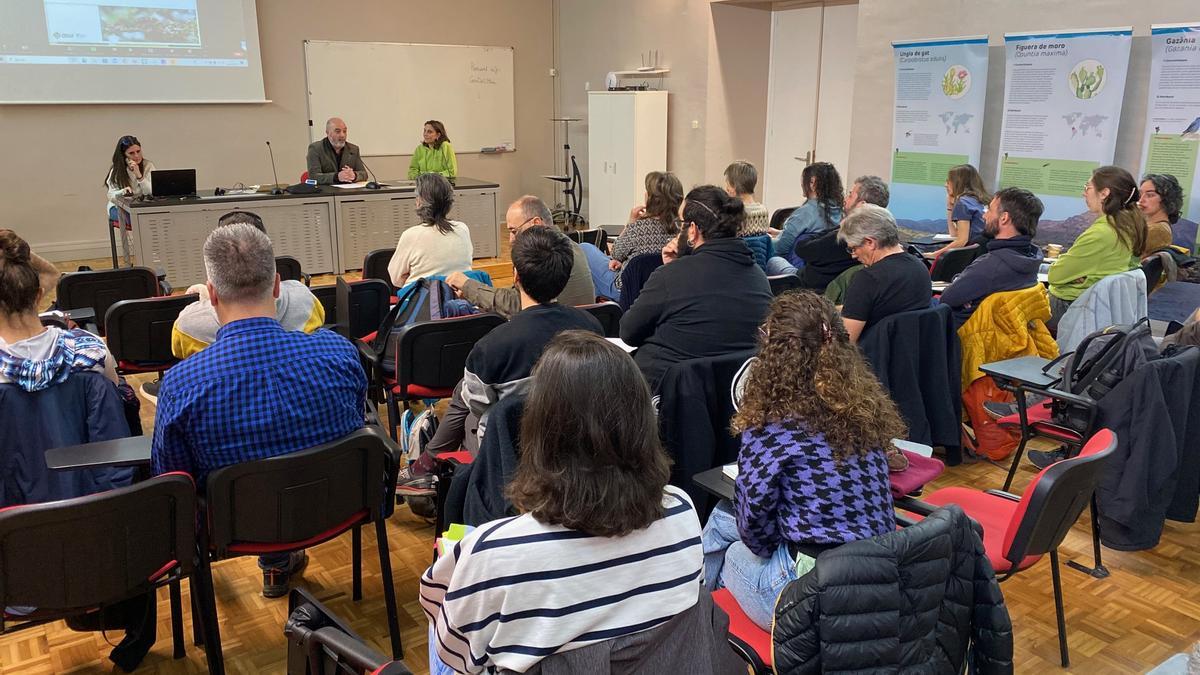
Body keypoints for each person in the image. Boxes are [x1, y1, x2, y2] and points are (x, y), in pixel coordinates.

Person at [420, 331, 703, 674]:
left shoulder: (496, 551)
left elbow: (454, 650)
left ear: (538, 431)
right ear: (643, 421)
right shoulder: (685, 513)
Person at [151, 223, 366, 598]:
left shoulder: (183, 385)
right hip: (339, 507)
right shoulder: (339, 352)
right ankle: (282, 559)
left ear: (213, 295)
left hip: (237, 529)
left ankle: (274, 563)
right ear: (278, 285)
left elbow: (173, 483)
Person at [701, 291, 901, 630]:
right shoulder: (866, 410)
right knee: (722, 519)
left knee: (728, 545)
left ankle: (700, 626)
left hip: (809, 599)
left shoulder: (770, 428)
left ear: (770, 353)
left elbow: (757, 537)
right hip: (879, 580)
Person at [398, 227, 602, 495]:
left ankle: (428, 465)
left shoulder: (492, 346)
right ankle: (428, 464)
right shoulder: (592, 328)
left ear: (515, 275)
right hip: (576, 445)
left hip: (506, 453)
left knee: (467, 397)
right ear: (565, 277)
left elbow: (479, 407)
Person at [620, 185, 772, 391]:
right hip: (731, 401)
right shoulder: (759, 279)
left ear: (693, 229)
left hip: (664, 397)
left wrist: (673, 269)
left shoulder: (671, 277)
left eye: (682, 223)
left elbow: (628, 332)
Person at [171, 211, 326, 363]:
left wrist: (203, 301)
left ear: (213, 293)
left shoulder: (187, 325)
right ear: (276, 284)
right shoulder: (306, 300)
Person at [445, 196, 595, 319]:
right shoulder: (572, 247)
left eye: (514, 231)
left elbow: (516, 304)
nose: (510, 239)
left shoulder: (542, 256)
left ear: (536, 223)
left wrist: (468, 286)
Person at [1047, 166, 1146, 327]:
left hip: (1070, 307)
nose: (1084, 193)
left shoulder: (1101, 233)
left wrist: (1073, 274)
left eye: (1088, 187)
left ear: (1104, 193)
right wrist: (1076, 275)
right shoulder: (1131, 227)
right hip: (1097, 308)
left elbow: (1055, 276)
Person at [938, 188, 1045, 328]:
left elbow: (947, 298)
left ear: (1004, 218)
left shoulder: (991, 266)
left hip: (964, 338)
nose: (984, 216)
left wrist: (960, 282)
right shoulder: (1032, 258)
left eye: (989, 210)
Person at [580, 171, 683, 300]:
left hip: (625, 290)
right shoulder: (682, 231)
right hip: (661, 289)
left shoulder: (637, 228)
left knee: (584, 248)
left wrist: (630, 222)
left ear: (651, 198)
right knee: (599, 278)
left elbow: (615, 253)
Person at [837, 204, 933, 343]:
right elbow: (879, 307)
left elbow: (846, 343)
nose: (853, 255)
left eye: (853, 248)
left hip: (870, 359)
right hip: (909, 356)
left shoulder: (867, 279)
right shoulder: (920, 268)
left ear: (870, 242)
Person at [796, 174, 890, 293]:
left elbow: (801, 248)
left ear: (862, 205)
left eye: (850, 195)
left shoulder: (846, 237)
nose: (845, 199)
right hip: (827, 287)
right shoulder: (880, 238)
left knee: (775, 260)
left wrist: (841, 226)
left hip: (808, 289)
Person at [386, 173, 474, 287]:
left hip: (424, 301)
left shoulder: (411, 235)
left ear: (419, 202)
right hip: (460, 297)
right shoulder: (463, 229)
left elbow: (396, 279)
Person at [766, 162, 844, 275]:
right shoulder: (840, 212)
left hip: (800, 272)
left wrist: (765, 240)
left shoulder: (805, 213)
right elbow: (817, 235)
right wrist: (780, 233)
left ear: (813, 182)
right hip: (827, 271)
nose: (802, 184)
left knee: (771, 259)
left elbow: (780, 249)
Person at [930, 164, 991, 259]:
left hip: (974, 254)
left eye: (949, 181)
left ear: (959, 182)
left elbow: (962, 240)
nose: (945, 185)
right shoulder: (982, 199)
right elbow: (954, 234)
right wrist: (950, 206)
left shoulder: (963, 203)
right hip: (986, 251)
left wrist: (935, 255)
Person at [105, 135, 154, 220]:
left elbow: (150, 191)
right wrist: (122, 192)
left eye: (138, 151)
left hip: (140, 206)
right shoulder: (116, 170)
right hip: (119, 207)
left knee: (153, 218)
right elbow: (111, 195)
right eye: (131, 153)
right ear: (124, 156)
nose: (136, 156)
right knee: (135, 219)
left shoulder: (148, 165)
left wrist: (139, 176)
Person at [306, 117, 367, 185]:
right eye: (338, 131)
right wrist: (336, 177)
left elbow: (364, 174)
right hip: (326, 192)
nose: (342, 135)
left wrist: (354, 175)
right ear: (328, 133)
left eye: (344, 131)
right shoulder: (316, 149)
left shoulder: (353, 149)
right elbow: (314, 177)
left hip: (348, 191)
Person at [1139, 173, 1184, 254]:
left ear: (1166, 199)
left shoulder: (1157, 231)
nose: (1141, 200)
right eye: (1140, 194)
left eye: (1150, 195)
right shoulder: (1149, 226)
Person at [724, 161, 769, 236]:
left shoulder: (733, 213)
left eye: (728, 184)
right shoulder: (763, 210)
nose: (726, 188)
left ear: (734, 187)